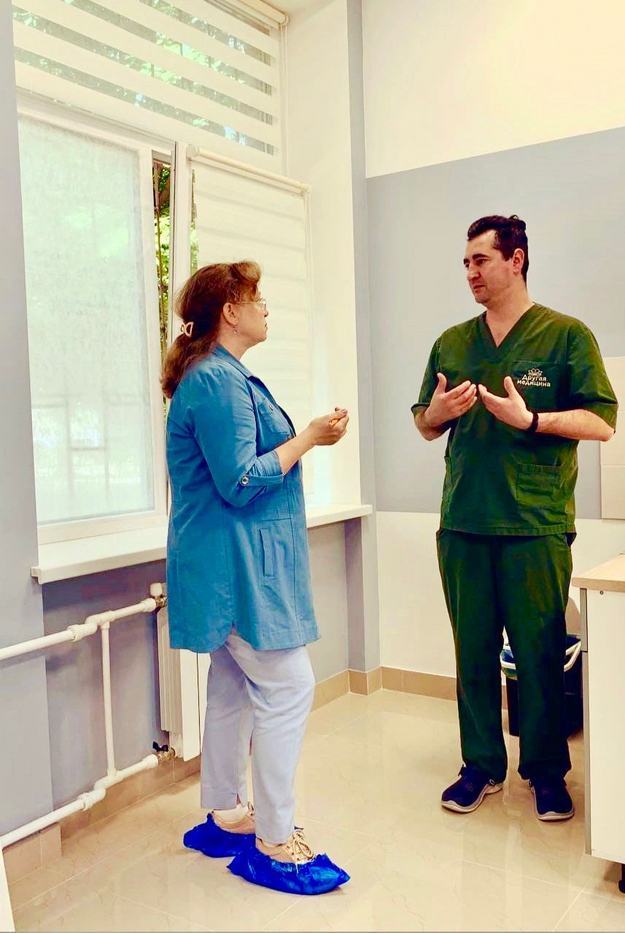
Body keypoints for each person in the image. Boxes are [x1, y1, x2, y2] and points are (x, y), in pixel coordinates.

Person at [412, 215, 618, 821]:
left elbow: (602, 421)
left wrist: (532, 420)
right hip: (464, 524)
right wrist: (439, 413)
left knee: (540, 653)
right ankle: (479, 765)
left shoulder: (565, 337)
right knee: (472, 653)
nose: (471, 273)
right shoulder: (452, 343)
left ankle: (547, 772)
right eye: (466, 263)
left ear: (516, 259)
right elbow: (423, 424)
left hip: (536, 523)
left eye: (481, 260)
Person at [161, 261, 350, 895]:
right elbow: (241, 480)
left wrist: (307, 440)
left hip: (227, 561)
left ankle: (225, 815)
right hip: (231, 567)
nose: (266, 308)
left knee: (233, 686)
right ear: (230, 312)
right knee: (290, 685)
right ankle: (273, 839)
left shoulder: (218, 375)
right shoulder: (217, 381)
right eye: (256, 298)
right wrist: (309, 439)